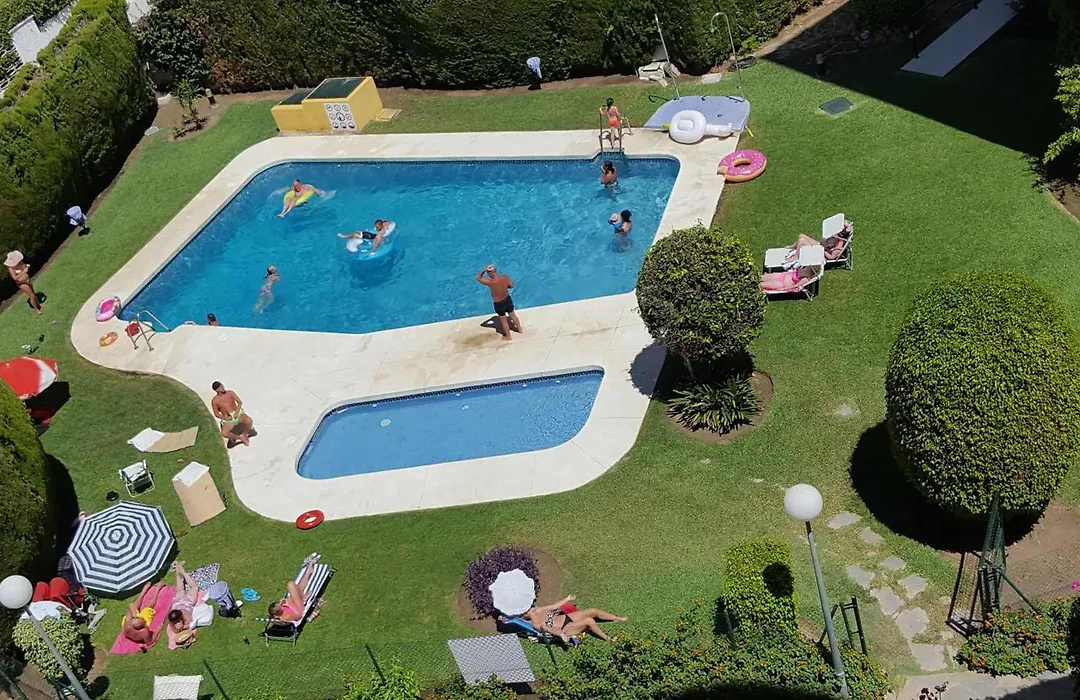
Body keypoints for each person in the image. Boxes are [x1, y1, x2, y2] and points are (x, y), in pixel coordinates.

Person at [525, 594, 627, 643]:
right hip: (565, 628)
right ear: (526, 615)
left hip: (567, 617)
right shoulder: (535, 623)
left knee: (593, 611)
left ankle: (617, 618)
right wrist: (561, 634)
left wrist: (567, 599)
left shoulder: (538, 610)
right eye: (527, 611)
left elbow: (553, 606)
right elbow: (549, 629)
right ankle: (608, 639)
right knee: (589, 621)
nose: (530, 609)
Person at [476, 264, 524, 341]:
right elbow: (512, 285)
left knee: (503, 320)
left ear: (490, 273)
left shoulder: (491, 282)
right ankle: (520, 329)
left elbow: (478, 278)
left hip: (499, 303)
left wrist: (484, 269)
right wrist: (504, 287)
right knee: (513, 315)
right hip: (507, 299)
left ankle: (508, 336)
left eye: (488, 273)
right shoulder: (505, 277)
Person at [268, 554, 320, 622]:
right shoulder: (285, 617)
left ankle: (309, 569)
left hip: (296, 602)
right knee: (291, 585)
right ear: (277, 613)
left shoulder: (281, 611)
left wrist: (285, 601)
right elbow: (298, 615)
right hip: (300, 608)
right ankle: (309, 566)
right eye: (280, 607)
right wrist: (287, 604)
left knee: (297, 587)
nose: (281, 606)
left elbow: (288, 602)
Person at [781, 219, 853, 265]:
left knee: (801, 241)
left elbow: (831, 257)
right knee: (801, 235)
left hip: (819, 251)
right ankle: (793, 247)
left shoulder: (839, 246)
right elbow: (845, 222)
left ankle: (796, 257)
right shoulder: (837, 237)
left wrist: (824, 250)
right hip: (819, 245)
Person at [211, 381, 254, 446]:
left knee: (249, 420)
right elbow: (216, 414)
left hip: (237, 413)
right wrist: (225, 418)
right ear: (217, 390)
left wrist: (237, 412)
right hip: (228, 418)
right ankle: (240, 438)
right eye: (221, 387)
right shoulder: (215, 401)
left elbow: (239, 402)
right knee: (224, 433)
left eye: (222, 386)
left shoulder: (230, 393)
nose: (223, 388)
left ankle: (244, 434)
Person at [166, 562, 198, 649]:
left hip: (187, 603)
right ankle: (178, 569)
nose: (176, 623)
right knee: (180, 589)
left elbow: (191, 623)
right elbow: (175, 630)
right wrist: (180, 628)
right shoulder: (171, 619)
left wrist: (183, 627)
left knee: (194, 587)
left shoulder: (184, 614)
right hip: (177, 603)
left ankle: (182, 572)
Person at [123, 582, 164, 648]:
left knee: (135, 607)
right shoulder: (144, 631)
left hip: (128, 631)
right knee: (149, 607)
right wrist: (158, 630)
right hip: (138, 632)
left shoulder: (128, 622)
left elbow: (130, 605)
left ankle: (143, 592)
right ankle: (157, 589)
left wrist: (134, 614)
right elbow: (150, 643)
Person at [5, 251, 42, 315]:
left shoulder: (20, 262)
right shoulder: (11, 268)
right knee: (31, 295)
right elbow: (15, 278)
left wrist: (27, 266)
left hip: (28, 279)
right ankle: (36, 309)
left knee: (33, 293)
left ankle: (38, 304)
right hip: (22, 283)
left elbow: (24, 266)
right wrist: (23, 272)